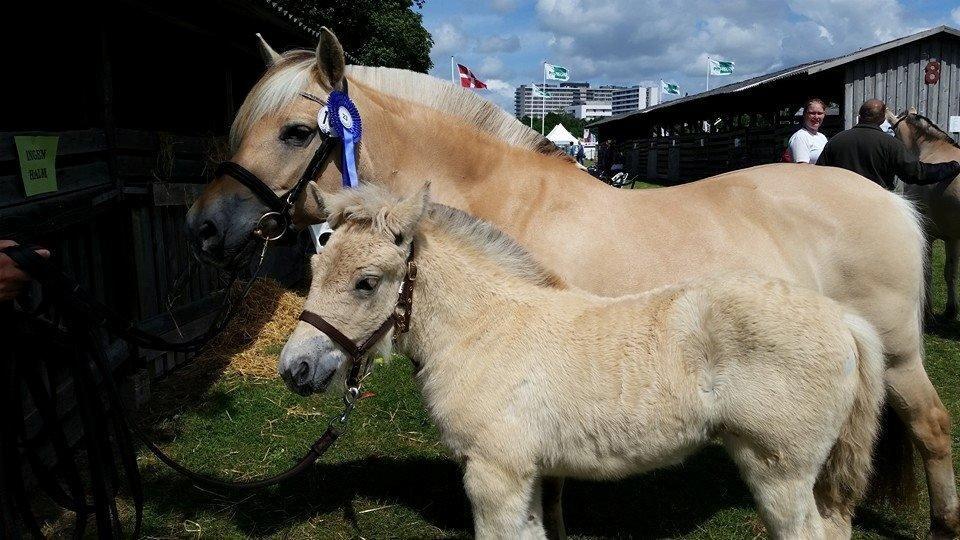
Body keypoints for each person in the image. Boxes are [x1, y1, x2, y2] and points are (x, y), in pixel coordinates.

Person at [817, 98, 960, 190]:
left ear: (860, 116)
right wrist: (951, 166)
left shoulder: (835, 141)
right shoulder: (890, 144)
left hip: (842, 204)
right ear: (882, 120)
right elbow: (916, 174)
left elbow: (819, 174)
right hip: (876, 205)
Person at [787, 98, 829, 164]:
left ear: (824, 115)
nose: (816, 117)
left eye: (820, 113)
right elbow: (802, 168)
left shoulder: (822, 137)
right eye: (812, 113)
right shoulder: (800, 137)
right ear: (804, 114)